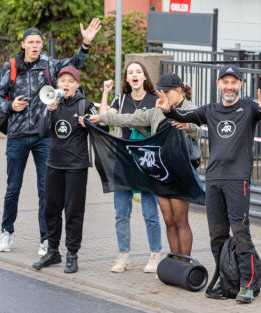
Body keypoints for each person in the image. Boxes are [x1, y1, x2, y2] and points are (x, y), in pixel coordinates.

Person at [155, 65, 261, 303]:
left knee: (241, 232)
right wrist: (168, 111)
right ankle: (225, 280)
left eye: (234, 83)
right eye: (225, 82)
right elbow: (184, 117)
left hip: (237, 179)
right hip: (214, 179)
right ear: (218, 85)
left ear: (240, 85)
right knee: (217, 235)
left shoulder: (250, 106)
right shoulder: (210, 110)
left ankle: (247, 284)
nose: (229, 87)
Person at [0, 20, 101, 255]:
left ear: (42, 45)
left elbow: (73, 66)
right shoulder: (10, 67)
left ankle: (45, 240)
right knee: (13, 187)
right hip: (17, 135)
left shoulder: (49, 65)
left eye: (38, 42)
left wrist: (85, 44)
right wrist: (11, 105)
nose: (34, 46)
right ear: (23, 44)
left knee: (46, 190)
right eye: (30, 42)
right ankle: (6, 232)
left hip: (44, 136)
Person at [85, 73, 201, 260]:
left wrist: (188, 127)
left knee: (180, 220)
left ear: (178, 90)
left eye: (166, 91)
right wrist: (102, 118)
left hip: (181, 173)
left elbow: (199, 130)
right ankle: (175, 262)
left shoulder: (190, 109)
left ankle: (185, 263)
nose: (161, 95)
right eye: (159, 91)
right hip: (161, 173)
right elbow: (129, 119)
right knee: (169, 220)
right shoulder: (157, 110)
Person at [95, 61, 162, 273]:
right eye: (130, 72)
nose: (134, 75)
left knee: (150, 212)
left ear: (144, 77)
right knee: (121, 213)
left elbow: (159, 129)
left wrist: (138, 124)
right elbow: (105, 120)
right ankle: (124, 256)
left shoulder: (154, 100)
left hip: (146, 160)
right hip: (123, 160)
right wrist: (106, 93)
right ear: (126, 79)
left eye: (138, 72)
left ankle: (155, 255)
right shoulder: (121, 99)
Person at [32, 66, 99, 273]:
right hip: (54, 163)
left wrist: (89, 124)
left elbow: (101, 128)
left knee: (73, 211)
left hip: (76, 166)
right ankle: (53, 251)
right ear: (57, 84)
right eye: (62, 81)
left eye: (70, 81)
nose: (66, 85)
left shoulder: (85, 105)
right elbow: (42, 132)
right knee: (50, 209)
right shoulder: (51, 102)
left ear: (77, 84)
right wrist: (48, 112)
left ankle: (72, 253)